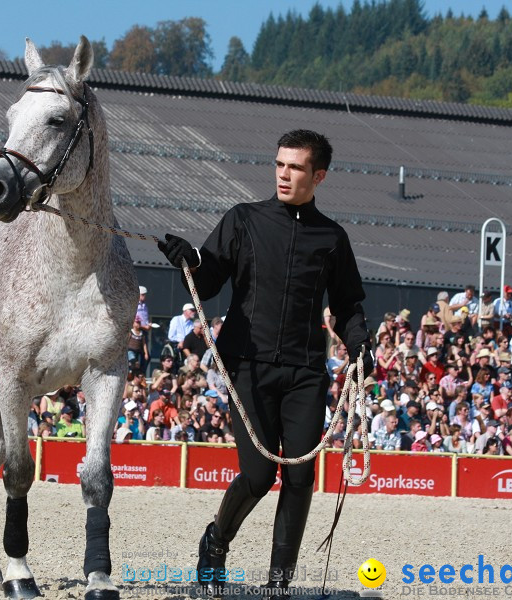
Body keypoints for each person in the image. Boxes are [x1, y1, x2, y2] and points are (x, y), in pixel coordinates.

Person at [156, 129, 371, 596]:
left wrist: (361, 346)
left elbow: (350, 305)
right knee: (257, 476)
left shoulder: (332, 238)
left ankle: (280, 583)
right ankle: (215, 543)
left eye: (294, 167)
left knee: (300, 475)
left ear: (319, 176)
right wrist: (187, 259)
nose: (283, 174)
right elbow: (208, 278)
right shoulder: (243, 220)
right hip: (247, 364)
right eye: (279, 164)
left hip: (306, 373)